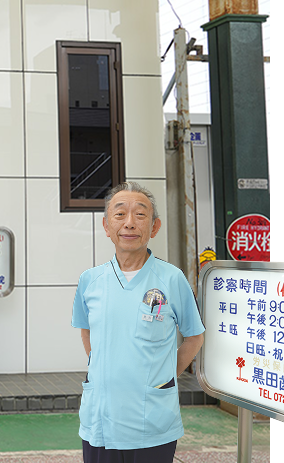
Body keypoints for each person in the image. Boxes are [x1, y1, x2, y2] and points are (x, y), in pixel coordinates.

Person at [71, 182, 205, 463]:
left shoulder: (172, 279)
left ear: (154, 227)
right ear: (107, 226)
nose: (129, 223)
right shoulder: (90, 281)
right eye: (120, 215)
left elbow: (194, 337)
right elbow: (86, 331)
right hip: (100, 421)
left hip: (152, 422)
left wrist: (165, 376)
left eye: (140, 215)